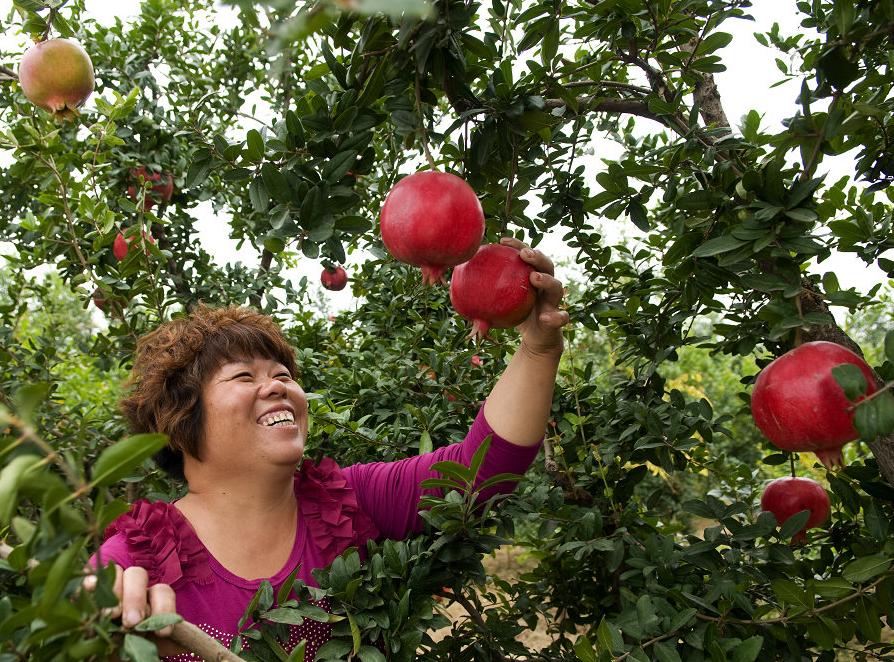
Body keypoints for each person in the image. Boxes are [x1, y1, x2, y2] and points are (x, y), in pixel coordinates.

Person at [88, 237, 569, 660]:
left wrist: (538, 347)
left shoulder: (346, 501)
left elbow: (478, 472)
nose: (278, 387)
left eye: (282, 375)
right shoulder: (134, 561)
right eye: (243, 376)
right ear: (177, 424)